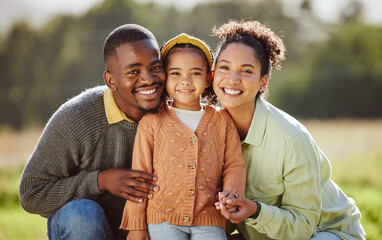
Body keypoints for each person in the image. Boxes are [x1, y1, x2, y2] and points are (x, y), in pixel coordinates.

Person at [212, 20, 366, 240]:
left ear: (263, 83)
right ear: (213, 74)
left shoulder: (291, 138)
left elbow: (303, 226)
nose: (233, 79)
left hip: (326, 233)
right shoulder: (207, 131)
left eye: (246, 71)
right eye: (224, 68)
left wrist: (256, 210)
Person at [19, 24, 166, 240]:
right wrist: (100, 181)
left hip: (150, 230)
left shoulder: (174, 111)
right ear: (110, 81)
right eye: (133, 71)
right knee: (81, 215)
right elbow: (32, 193)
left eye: (155, 67)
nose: (149, 79)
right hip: (88, 229)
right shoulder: (76, 118)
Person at [119, 33, 247, 240]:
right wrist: (136, 225)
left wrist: (232, 194)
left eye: (195, 73)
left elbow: (234, 165)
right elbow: (139, 175)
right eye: (175, 73)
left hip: (209, 218)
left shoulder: (222, 121)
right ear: (164, 78)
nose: (185, 81)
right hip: (162, 219)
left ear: (208, 78)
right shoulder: (152, 122)